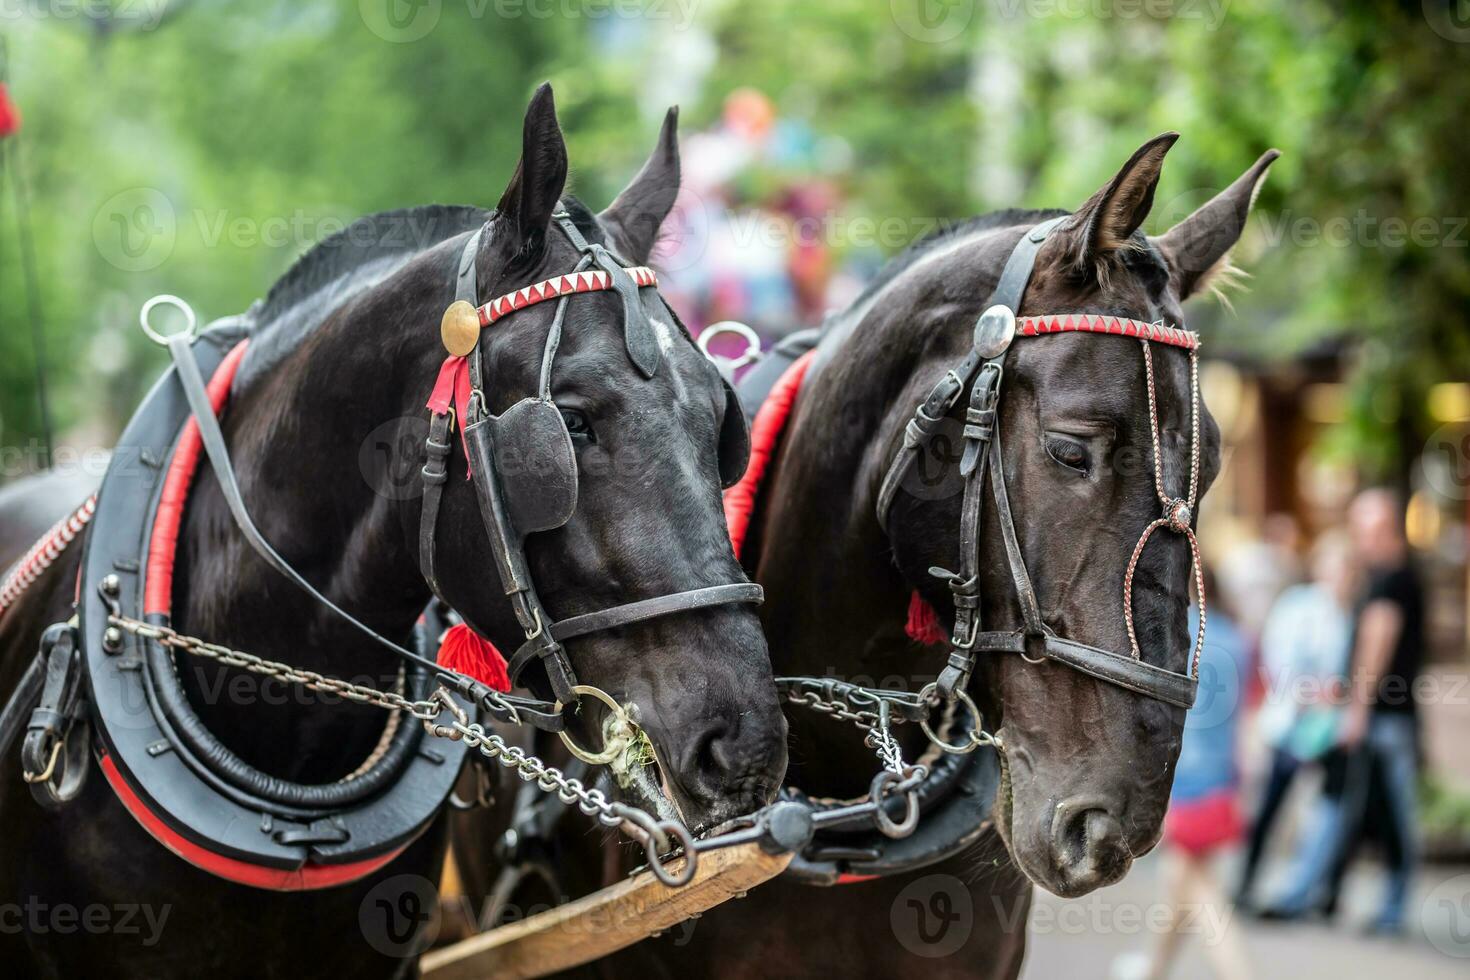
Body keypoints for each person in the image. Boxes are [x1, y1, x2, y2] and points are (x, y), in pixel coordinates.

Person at [1262, 489, 1425, 933]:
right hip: (1375, 718)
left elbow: (1376, 644)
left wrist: (1356, 712)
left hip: (1382, 720)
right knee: (1341, 806)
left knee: (1388, 815)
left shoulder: (1392, 579)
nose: (1357, 538)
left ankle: (1380, 906)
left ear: (1383, 528)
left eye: (1363, 528)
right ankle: (1304, 893)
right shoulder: (1380, 577)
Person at [1112, 568, 1252, 980]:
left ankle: (1239, 974)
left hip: (1184, 781)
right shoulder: (1239, 640)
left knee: (1203, 896)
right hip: (1221, 781)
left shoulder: (1173, 639)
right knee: (1181, 884)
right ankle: (1153, 969)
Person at [1233, 532, 1356, 910]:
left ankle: (1325, 891)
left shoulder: (1353, 614)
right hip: (1293, 723)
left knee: (1336, 807)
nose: (1341, 578)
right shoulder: (1298, 607)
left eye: (1347, 571)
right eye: (1335, 569)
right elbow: (1276, 658)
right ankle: (1247, 882)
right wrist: (1309, 690)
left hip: (1332, 726)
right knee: (1273, 803)